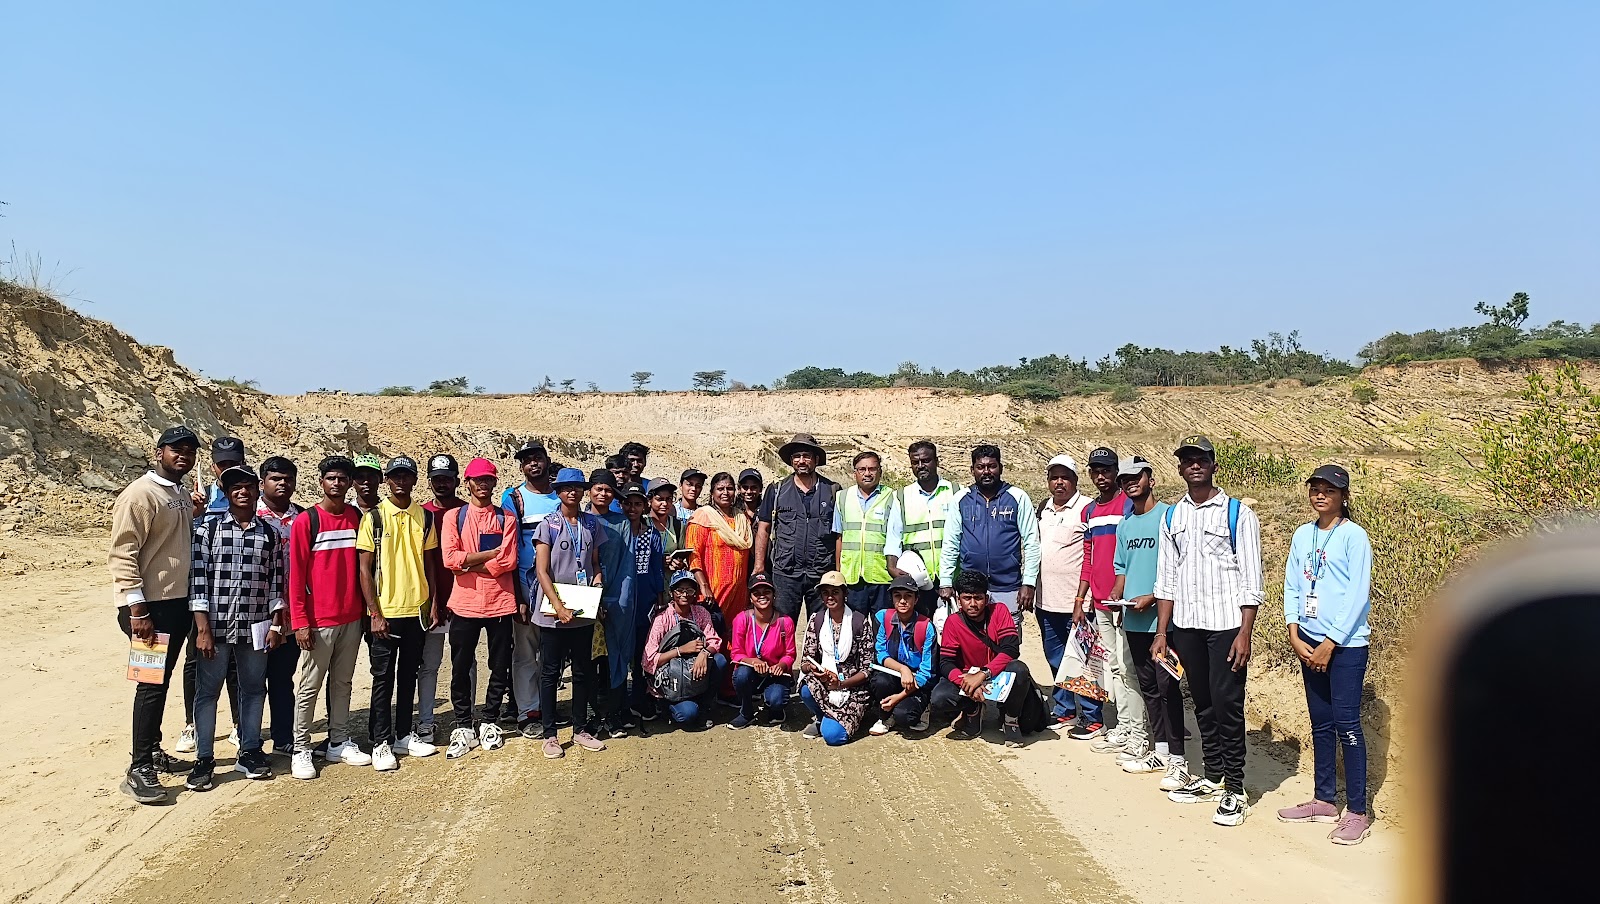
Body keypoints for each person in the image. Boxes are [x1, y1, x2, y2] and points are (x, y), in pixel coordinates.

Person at [1151, 435, 1263, 827]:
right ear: (1179, 468)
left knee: (1227, 703)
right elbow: (1166, 579)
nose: (1194, 465)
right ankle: (1213, 775)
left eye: (1201, 459)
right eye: (1187, 460)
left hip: (1226, 626)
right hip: (1185, 627)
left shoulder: (1237, 514)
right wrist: (1163, 633)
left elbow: (1251, 579)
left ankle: (1236, 787)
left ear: (1215, 465)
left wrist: (1245, 632)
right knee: (1200, 700)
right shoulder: (1172, 516)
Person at [1277, 464, 1374, 845]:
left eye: (1329, 490)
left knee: (1347, 724)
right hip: (1308, 641)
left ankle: (1357, 811)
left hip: (1345, 646)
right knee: (1320, 723)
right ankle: (1323, 799)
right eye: (1315, 488)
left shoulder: (1354, 537)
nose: (1321, 495)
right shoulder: (1303, 535)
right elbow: (1292, 585)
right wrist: (1293, 631)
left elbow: (1357, 595)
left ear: (1343, 497)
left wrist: (1330, 643)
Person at [110, 425, 202, 803]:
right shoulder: (140, 494)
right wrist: (137, 609)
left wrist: (194, 517)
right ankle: (139, 768)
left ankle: (151, 751)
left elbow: (172, 544)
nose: (183, 455)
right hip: (149, 608)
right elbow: (122, 553)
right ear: (159, 451)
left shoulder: (178, 493)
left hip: (176, 603)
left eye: (189, 451)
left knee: (160, 683)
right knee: (149, 685)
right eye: (175, 449)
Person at [185, 464, 283, 790]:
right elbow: (198, 582)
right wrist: (202, 629)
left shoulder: (268, 534)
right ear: (226, 494)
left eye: (247, 486)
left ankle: (250, 750)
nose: (241, 491)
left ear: (257, 490)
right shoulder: (208, 531)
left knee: (254, 690)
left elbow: (275, 583)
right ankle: (204, 758)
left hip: (255, 626)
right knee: (207, 692)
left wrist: (276, 624)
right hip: (216, 627)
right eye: (234, 487)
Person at [288, 456, 373, 779]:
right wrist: (301, 622)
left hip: (351, 616)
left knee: (343, 682)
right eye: (331, 478)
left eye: (342, 479)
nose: (336, 484)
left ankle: (338, 739)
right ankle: (301, 747)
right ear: (321, 481)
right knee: (310, 685)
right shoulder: (307, 522)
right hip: (318, 620)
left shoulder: (355, 517)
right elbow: (295, 577)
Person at [356, 455, 442, 769]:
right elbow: (364, 570)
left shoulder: (425, 517)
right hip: (386, 611)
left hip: (415, 609)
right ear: (387, 481)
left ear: (415, 480)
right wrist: (374, 613)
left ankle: (403, 735)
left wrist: (433, 601)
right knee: (382, 678)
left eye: (407, 477)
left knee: (408, 675)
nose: (401, 482)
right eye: (395, 477)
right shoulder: (374, 517)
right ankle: (380, 742)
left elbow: (430, 562)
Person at [1112, 458, 1187, 787]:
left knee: (1169, 688)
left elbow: (1181, 568)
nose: (1130, 483)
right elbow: (1122, 568)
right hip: (1134, 621)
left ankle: (1179, 759)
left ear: (1151, 480)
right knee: (1149, 689)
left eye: (1135, 477)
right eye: (1124, 480)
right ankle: (1158, 750)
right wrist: (1117, 598)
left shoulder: (1168, 517)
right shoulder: (1125, 524)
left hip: (1164, 624)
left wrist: (1153, 598)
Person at [441, 457, 519, 759]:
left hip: (499, 602)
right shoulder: (454, 517)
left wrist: (467, 563)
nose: (483, 484)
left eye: (488, 479)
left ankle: (489, 720)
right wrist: (486, 554)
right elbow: (449, 559)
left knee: (499, 665)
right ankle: (463, 723)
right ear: (468, 483)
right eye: (477, 479)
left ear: (495, 483)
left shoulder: (506, 519)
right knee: (460, 666)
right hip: (464, 604)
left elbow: (507, 562)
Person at [531, 468, 609, 757]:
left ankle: (580, 729)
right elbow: (542, 571)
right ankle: (550, 734)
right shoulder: (549, 525)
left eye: (577, 487)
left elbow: (595, 564)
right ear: (558, 491)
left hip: (583, 607)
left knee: (583, 671)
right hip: (554, 610)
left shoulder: (590, 524)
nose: (572, 492)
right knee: (550, 672)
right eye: (566, 488)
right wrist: (560, 607)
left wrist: (597, 584)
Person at [177, 435, 246, 754]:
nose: (227, 469)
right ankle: (191, 725)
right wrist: (193, 513)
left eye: (233, 463)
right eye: (222, 464)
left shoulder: (248, 494)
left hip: (237, 591)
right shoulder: (196, 496)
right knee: (194, 659)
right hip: (201, 589)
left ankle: (238, 723)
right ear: (214, 466)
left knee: (234, 661)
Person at [1073, 446, 1141, 745]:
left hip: (1123, 601)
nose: (1101, 477)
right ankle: (1124, 726)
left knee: (1127, 667)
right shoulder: (1089, 511)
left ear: (1117, 473)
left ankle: (1133, 729)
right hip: (1100, 601)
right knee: (1114, 664)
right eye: (1096, 471)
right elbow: (1088, 559)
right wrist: (1080, 600)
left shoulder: (1128, 505)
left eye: (1107, 471)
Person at [931, 571, 1038, 747]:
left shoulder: (1000, 610)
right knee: (939, 698)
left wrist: (983, 674)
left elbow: (1011, 649)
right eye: (967, 598)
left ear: (986, 598)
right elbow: (946, 662)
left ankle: (1011, 719)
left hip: (996, 673)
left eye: (978, 598)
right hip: (967, 675)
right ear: (959, 600)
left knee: (1019, 670)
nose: (973, 604)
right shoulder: (952, 622)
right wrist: (966, 683)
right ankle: (973, 711)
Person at [939, 445, 1040, 619]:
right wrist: (946, 581)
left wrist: (1029, 582)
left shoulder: (1017, 497)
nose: (986, 471)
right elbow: (951, 542)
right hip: (971, 588)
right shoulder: (961, 499)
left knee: (1006, 642)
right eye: (980, 467)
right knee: (972, 642)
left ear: (1000, 468)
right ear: (972, 470)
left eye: (991, 466)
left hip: (1007, 586)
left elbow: (1032, 542)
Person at [754, 434, 840, 626]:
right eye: (797, 456)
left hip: (821, 573)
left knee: (823, 628)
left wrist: (838, 570)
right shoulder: (776, 491)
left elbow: (839, 535)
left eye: (806, 456)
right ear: (791, 460)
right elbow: (764, 529)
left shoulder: (833, 490)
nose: (801, 461)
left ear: (816, 460)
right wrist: (759, 566)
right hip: (786, 573)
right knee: (781, 627)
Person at [503, 439, 559, 734]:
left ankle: (548, 706)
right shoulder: (514, 498)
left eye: (538, 458)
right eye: (527, 460)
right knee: (526, 650)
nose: (533, 464)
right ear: (521, 466)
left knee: (553, 651)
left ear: (547, 461)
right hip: (527, 585)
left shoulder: (561, 497)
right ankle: (528, 711)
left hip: (560, 587)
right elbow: (508, 549)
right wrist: (516, 596)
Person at [1034, 453, 1089, 726]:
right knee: (1055, 657)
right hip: (1045, 600)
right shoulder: (1043, 508)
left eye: (1065, 477)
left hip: (1076, 603)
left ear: (1075, 480)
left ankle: (1091, 716)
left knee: (1083, 660)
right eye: (1054, 477)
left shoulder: (1087, 509)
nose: (1059, 483)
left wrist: (1083, 598)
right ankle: (1065, 708)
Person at [255, 456, 302, 756]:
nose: (282, 483)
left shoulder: (302, 519)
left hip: (291, 614)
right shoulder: (249, 516)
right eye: (275, 478)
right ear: (262, 483)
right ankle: (248, 739)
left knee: (283, 678)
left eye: (287, 478)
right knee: (252, 679)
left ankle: (284, 736)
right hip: (256, 612)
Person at [417, 453, 464, 746]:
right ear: (430, 481)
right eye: (437, 479)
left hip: (462, 601)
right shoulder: (421, 513)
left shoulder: (468, 511)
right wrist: (433, 600)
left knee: (464, 662)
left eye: (447, 478)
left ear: (457, 480)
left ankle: (465, 719)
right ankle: (425, 721)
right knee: (429, 665)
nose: (442, 484)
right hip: (431, 601)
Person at [642, 571, 728, 728]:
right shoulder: (662, 619)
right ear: (671, 593)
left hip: (694, 673)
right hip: (672, 680)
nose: (685, 594)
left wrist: (704, 653)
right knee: (687, 715)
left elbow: (714, 640)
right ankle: (667, 706)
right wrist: (681, 650)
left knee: (719, 660)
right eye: (679, 590)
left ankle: (704, 705)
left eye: (689, 590)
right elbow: (648, 661)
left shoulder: (701, 613)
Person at [797, 571, 874, 746]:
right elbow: (805, 662)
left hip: (852, 688)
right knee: (806, 687)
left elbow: (868, 668)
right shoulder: (816, 620)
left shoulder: (859, 621)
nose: (830, 597)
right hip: (825, 682)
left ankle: (838, 720)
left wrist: (841, 683)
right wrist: (816, 670)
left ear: (845, 593)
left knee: (833, 737)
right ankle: (823, 717)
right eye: (825, 592)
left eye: (835, 592)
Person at [615, 480, 666, 730]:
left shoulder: (651, 533)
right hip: (620, 601)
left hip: (645, 600)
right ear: (621, 504)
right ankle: (617, 704)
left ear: (644, 506)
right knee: (619, 653)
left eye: (637, 504)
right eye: (628, 503)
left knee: (640, 653)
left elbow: (657, 566)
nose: (632, 508)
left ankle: (638, 699)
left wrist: (659, 596)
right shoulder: (615, 530)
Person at [832, 451, 904, 615]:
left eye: (872, 469)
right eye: (862, 469)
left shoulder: (892, 497)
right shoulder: (842, 497)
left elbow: (896, 537)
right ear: (854, 473)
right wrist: (838, 572)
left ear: (880, 471)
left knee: (883, 628)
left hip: (882, 575)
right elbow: (839, 537)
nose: (867, 473)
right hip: (851, 576)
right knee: (855, 629)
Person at [867, 574, 937, 736]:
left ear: (916, 599)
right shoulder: (882, 617)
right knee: (879, 681)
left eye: (908, 596)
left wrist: (899, 697)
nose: (903, 601)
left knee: (905, 716)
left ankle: (921, 706)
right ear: (891, 598)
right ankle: (885, 716)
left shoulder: (926, 626)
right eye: (898, 596)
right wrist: (903, 669)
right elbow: (881, 654)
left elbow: (927, 672)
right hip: (896, 674)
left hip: (919, 680)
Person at [589, 469, 631, 733]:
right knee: (590, 660)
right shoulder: (580, 520)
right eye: (599, 489)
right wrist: (594, 600)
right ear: (590, 490)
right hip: (586, 600)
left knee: (615, 658)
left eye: (608, 490)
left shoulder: (622, 522)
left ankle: (614, 713)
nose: (603, 494)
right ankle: (592, 714)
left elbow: (625, 566)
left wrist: (614, 602)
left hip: (616, 601)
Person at [687, 472, 753, 636]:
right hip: (712, 591)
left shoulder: (741, 518)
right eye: (720, 489)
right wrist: (704, 586)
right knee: (710, 634)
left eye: (730, 488)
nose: (725, 492)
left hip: (738, 593)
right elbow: (694, 556)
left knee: (735, 634)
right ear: (712, 493)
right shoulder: (702, 517)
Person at [897, 441, 959, 616]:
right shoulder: (901, 496)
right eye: (915, 462)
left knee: (954, 634)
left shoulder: (955, 492)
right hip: (917, 580)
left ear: (936, 461)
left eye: (926, 461)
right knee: (922, 633)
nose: (920, 466)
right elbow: (894, 538)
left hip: (952, 577)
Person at [727, 572, 795, 729]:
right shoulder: (741, 619)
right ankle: (746, 712)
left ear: (774, 595)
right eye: (756, 593)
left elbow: (790, 654)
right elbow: (736, 653)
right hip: (751, 672)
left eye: (766, 592)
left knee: (776, 700)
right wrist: (753, 661)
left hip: (775, 674)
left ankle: (776, 709)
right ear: (750, 598)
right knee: (741, 675)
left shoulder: (785, 622)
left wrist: (782, 665)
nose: (761, 596)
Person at [647, 477, 684, 559]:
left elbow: (681, 555)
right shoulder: (642, 523)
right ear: (649, 500)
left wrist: (678, 563)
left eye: (669, 499)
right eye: (659, 499)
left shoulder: (677, 525)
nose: (665, 503)